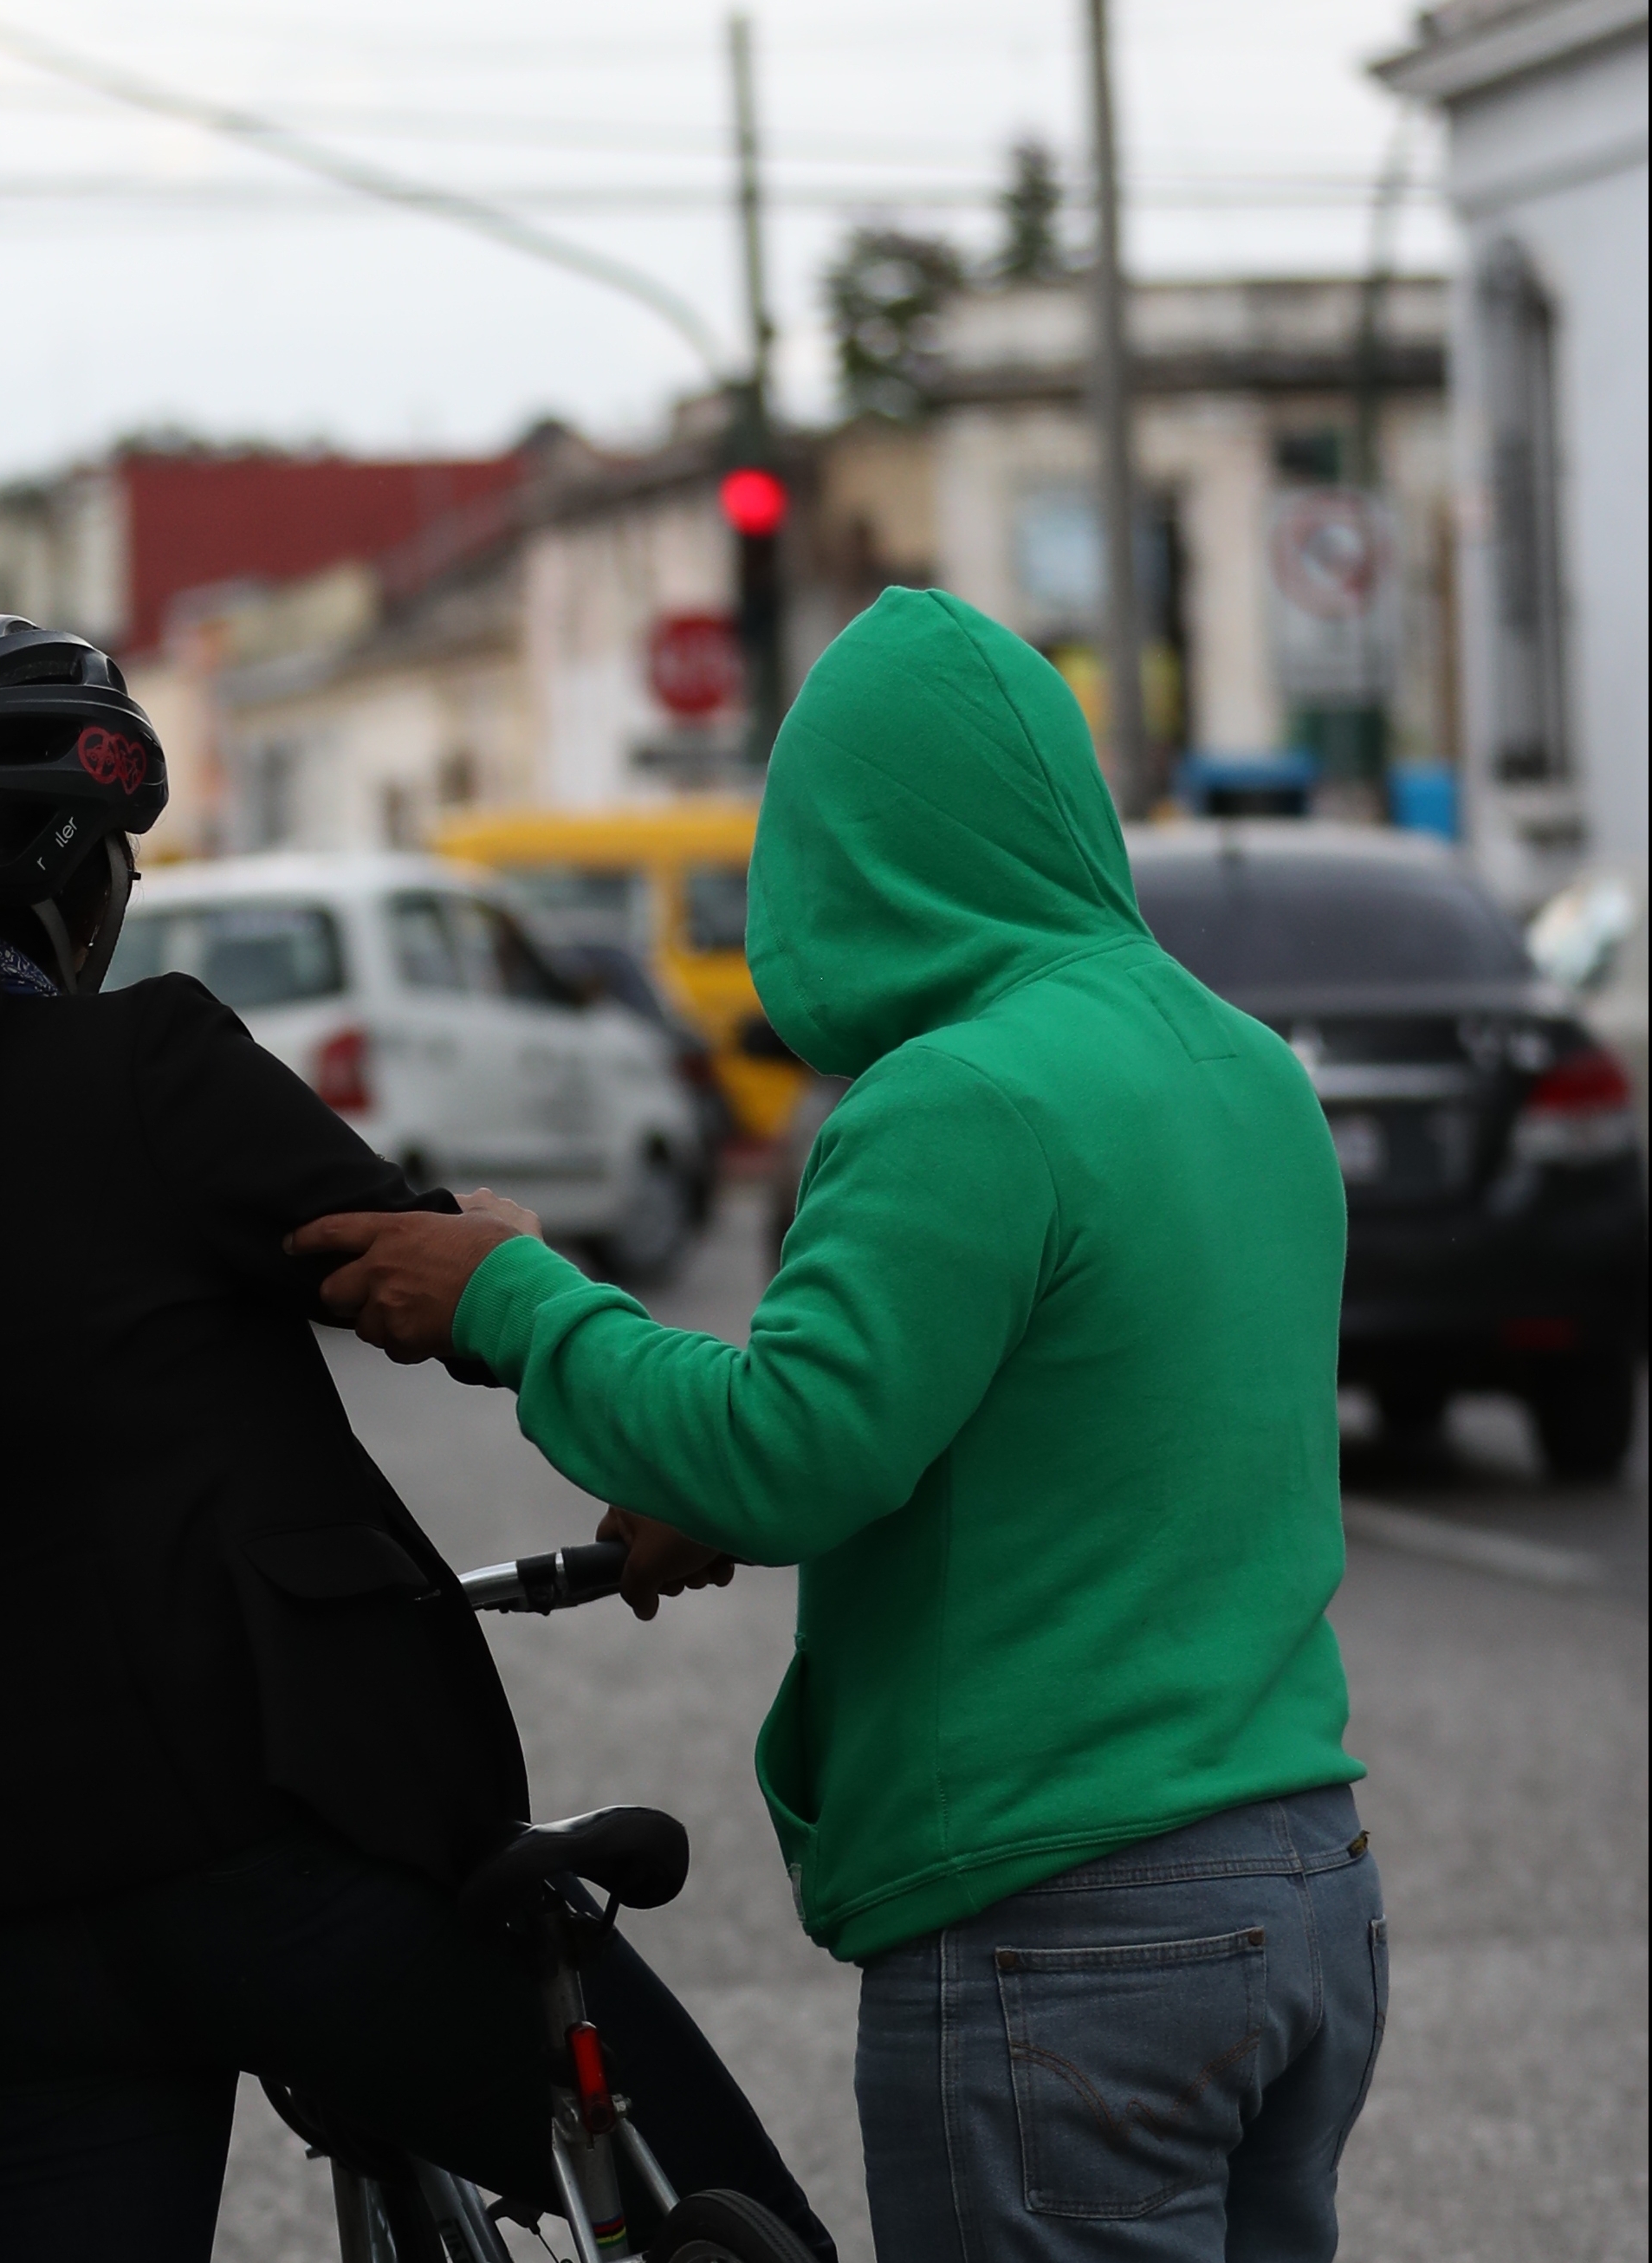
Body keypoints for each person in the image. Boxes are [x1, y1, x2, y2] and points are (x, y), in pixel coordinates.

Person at [0, 617, 836, 2263]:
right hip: (289, 1862)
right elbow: (411, 1280)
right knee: (730, 2229)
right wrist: (512, 1271)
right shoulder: (147, 1065)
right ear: (80, 877)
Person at [295, 589, 1381, 2262]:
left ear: (843, 855)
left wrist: (512, 1292)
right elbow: (1073, 1424)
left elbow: (799, 1444)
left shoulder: (959, 1092)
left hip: (1065, 1924)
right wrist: (703, 1492)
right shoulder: (1241, 1067)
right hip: (1298, 1888)